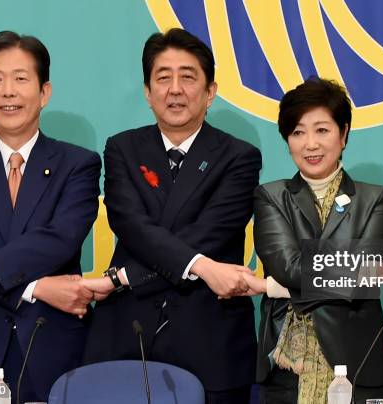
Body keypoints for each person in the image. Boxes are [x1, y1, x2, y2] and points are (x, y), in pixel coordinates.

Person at [82, 28, 261, 403]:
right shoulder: (122, 148)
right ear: (148, 93)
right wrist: (204, 267)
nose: (175, 89)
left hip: (210, 338)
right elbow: (130, 225)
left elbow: (210, 234)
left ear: (210, 91)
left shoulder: (239, 156)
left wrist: (125, 278)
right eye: (163, 78)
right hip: (126, 333)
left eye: (188, 76)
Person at [0, 31, 101, 402]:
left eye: (20, 78)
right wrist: (37, 288)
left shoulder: (78, 165)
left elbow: (57, 241)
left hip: (52, 345)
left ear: (44, 92)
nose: (7, 91)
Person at [245, 78, 383, 404]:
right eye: (298, 132)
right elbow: (288, 267)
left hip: (359, 359)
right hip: (288, 368)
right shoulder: (271, 196)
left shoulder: (375, 198)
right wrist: (285, 279)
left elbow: (365, 277)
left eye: (322, 130)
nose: (310, 144)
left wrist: (273, 288)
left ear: (344, 133)